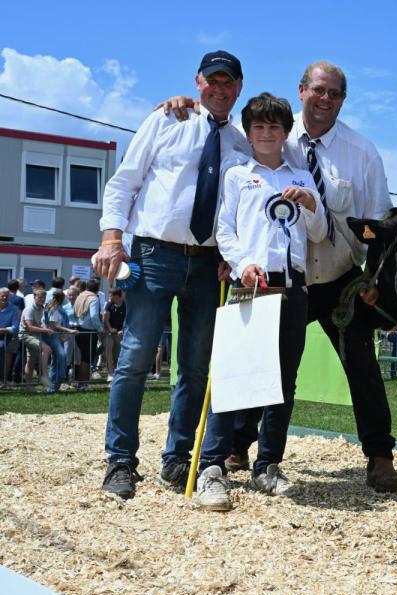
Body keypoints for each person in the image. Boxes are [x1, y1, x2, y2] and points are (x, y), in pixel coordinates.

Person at [165, 60, 397, 492]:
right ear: (301, 91)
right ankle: (235, 449)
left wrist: (373, 278)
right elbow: (216, 126)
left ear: (342, 100)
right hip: (267, 277)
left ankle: (379, 455)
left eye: (334, 93)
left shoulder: (361, 150)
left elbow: (379, 219)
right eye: (318, 90)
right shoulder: (273, 130)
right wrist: (186, 104)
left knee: (361, 365)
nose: (325, 99)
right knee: (252, 361)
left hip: (336, 278)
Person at [93, 50, 249, 501]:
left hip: (207, 263)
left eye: (229, 83)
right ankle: (120, 462)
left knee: (196, 367)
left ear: (238, 89)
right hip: (153, 253)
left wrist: (233, 255)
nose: (220, 89)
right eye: (212, 81)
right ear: (198, 82)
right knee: (135, 359)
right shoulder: (165, 120)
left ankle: (178, 458)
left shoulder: (241, 142)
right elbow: (124, 182)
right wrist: (110, 239)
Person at [194, 92, 326, 510]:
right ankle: (212, 466)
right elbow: (226, 232)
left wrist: (310, 205)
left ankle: (268, 464)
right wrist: (241, 263)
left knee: (283, 381)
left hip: (293, 287)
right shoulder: (237, 175)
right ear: (248, 133)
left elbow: (320, 232)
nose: (267, 134)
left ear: (287, 132)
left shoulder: (302, 176)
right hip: (250, 285)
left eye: (274, 127)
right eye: (258, 127)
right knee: (234, 375)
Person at [19, 288, 52, 390]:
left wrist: (46, 328)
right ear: (34, 297)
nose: (42, 299)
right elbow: (29, 327)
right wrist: (46, 330)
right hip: (26, 335)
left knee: (31, 361)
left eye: (44, 297)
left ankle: (27, 387)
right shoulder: (29, 309)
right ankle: (44, 376)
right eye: (40, 297)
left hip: (35, 335)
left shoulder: (42, 308)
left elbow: (40, 324)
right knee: (46, 349)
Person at [73, 278, 102, 390]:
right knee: (86, 359)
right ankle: (83, 384)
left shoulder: (81, 295)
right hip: (89, 331)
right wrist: (100, 329)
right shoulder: (93, 298)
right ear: (97, 288)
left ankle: (79, 383)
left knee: (82, 358)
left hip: (79, 329)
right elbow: (94, 317)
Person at [45, 290, 76, 392]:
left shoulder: (59, 308)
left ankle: (54, 386)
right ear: (62, 299)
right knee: (61, 357)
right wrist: (69, 330)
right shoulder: (55, 309)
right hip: (54, 337)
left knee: (55, 361)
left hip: (59, 337)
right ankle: (60, 379)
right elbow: (55, 325)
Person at [103, 288, 126, 382]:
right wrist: (110, 329)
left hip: (120, 333)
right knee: (109, 349)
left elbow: (128, 319)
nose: (109, 298)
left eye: (111, 296)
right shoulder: (109, 304)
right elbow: (105, 319)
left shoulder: (126, 305)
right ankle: (110, 373)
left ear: (117, 296)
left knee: (119, 353)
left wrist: (123, 330)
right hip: (109, 333)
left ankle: (118, 372)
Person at [0, 288, 20, 386]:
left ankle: (2, 378)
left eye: (6, 296)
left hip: (7, 337)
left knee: (2, 347)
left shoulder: (14, 309)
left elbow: (15, 327)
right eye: (2, 296)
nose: (4, 298)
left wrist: (3, 330)